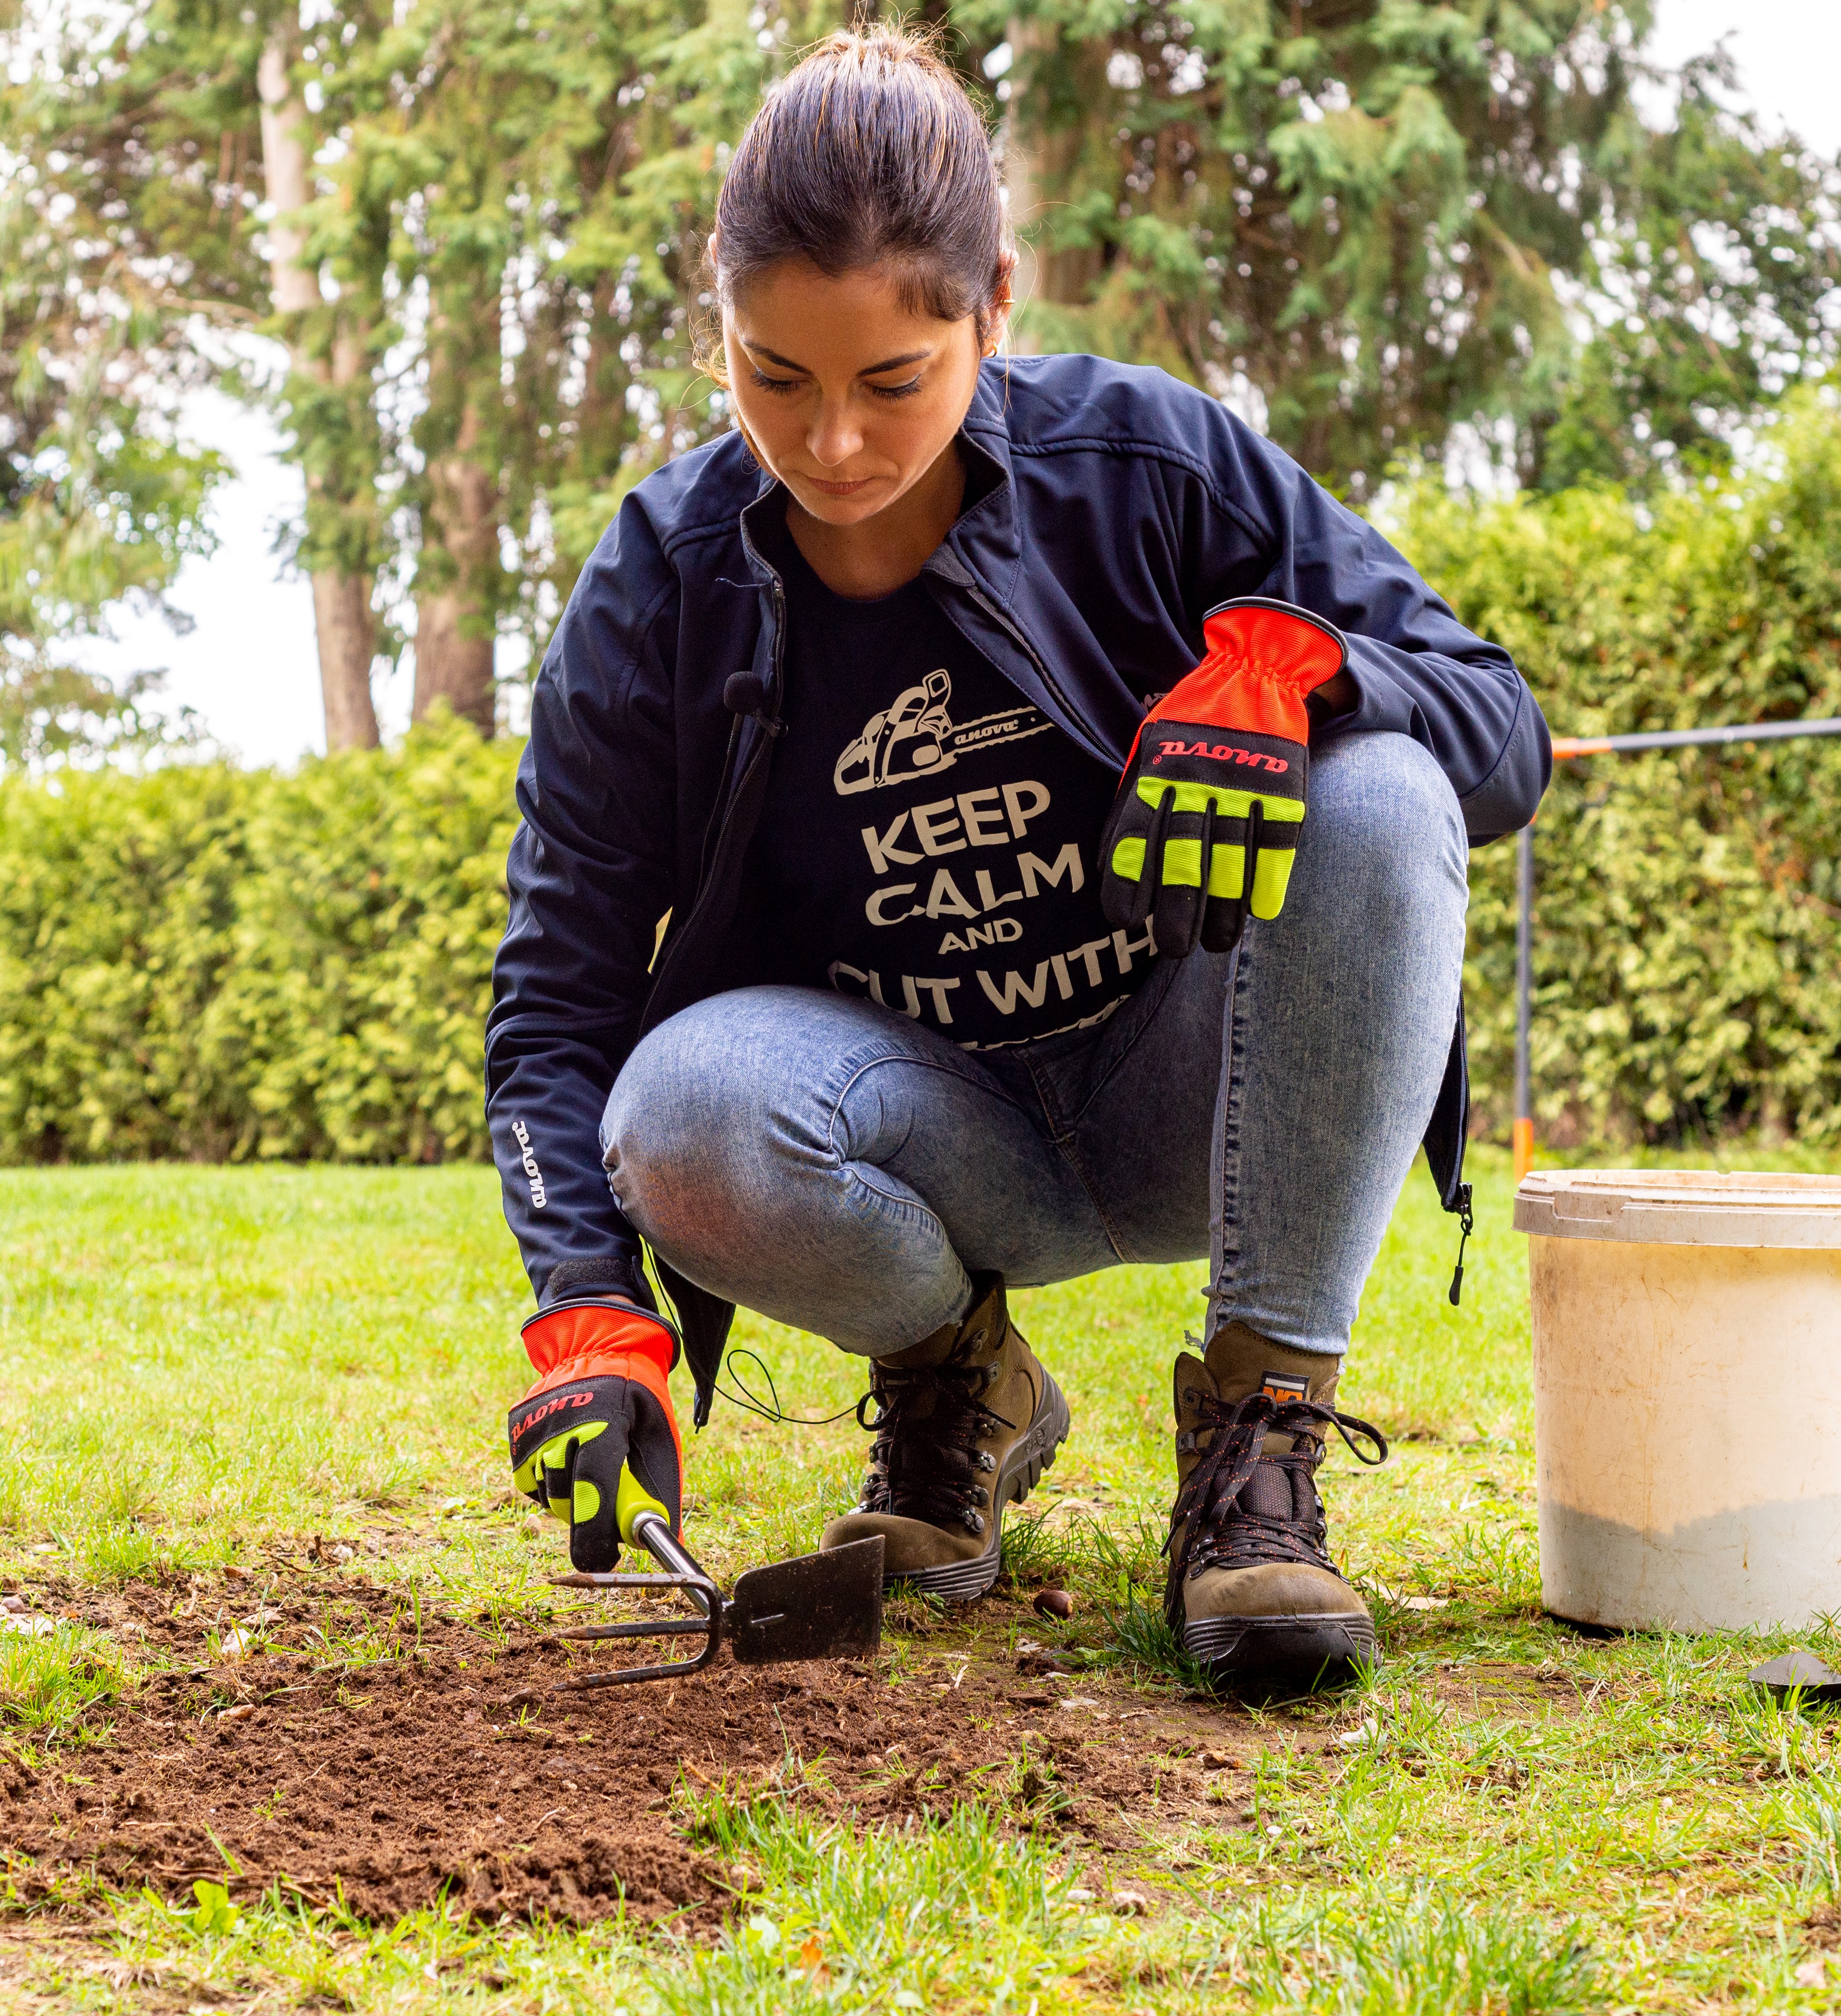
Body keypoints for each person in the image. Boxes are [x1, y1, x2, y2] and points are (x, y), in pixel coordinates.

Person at [486, 25, 1547, 1695]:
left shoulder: (1152, 468)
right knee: (673, 1110)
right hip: (928, 1138)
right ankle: (956, 1389)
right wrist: (591, 1315)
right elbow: (555, 1000)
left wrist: (1303, 673)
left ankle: (1259, 1461)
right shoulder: (657, 583)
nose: (833, 446)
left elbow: (1502, 727)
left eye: (892, 381)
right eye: (778, 377)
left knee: (1385, 789)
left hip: (1206, 1091)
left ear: (995, 306)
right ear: (722, 327)